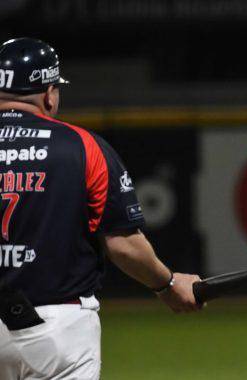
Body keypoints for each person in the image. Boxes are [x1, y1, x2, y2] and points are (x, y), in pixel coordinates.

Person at [0, 37, 202, 379]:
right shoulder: (83, 147)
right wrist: (167, 284)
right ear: (49, 93)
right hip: (57, 329)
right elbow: (122, 244)